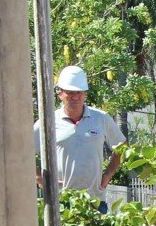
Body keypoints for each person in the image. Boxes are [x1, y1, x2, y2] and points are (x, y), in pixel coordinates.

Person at [35, 65, 124, 198]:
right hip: (60, 201)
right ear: (60, 94)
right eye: (70, 92)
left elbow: (122, 147)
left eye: (79, 92)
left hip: (95, 199)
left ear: (85, 94)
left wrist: (107, 175)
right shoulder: (48, 122)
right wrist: (38, 176)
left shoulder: (101, 118)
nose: (75, 97)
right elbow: (22, 153)